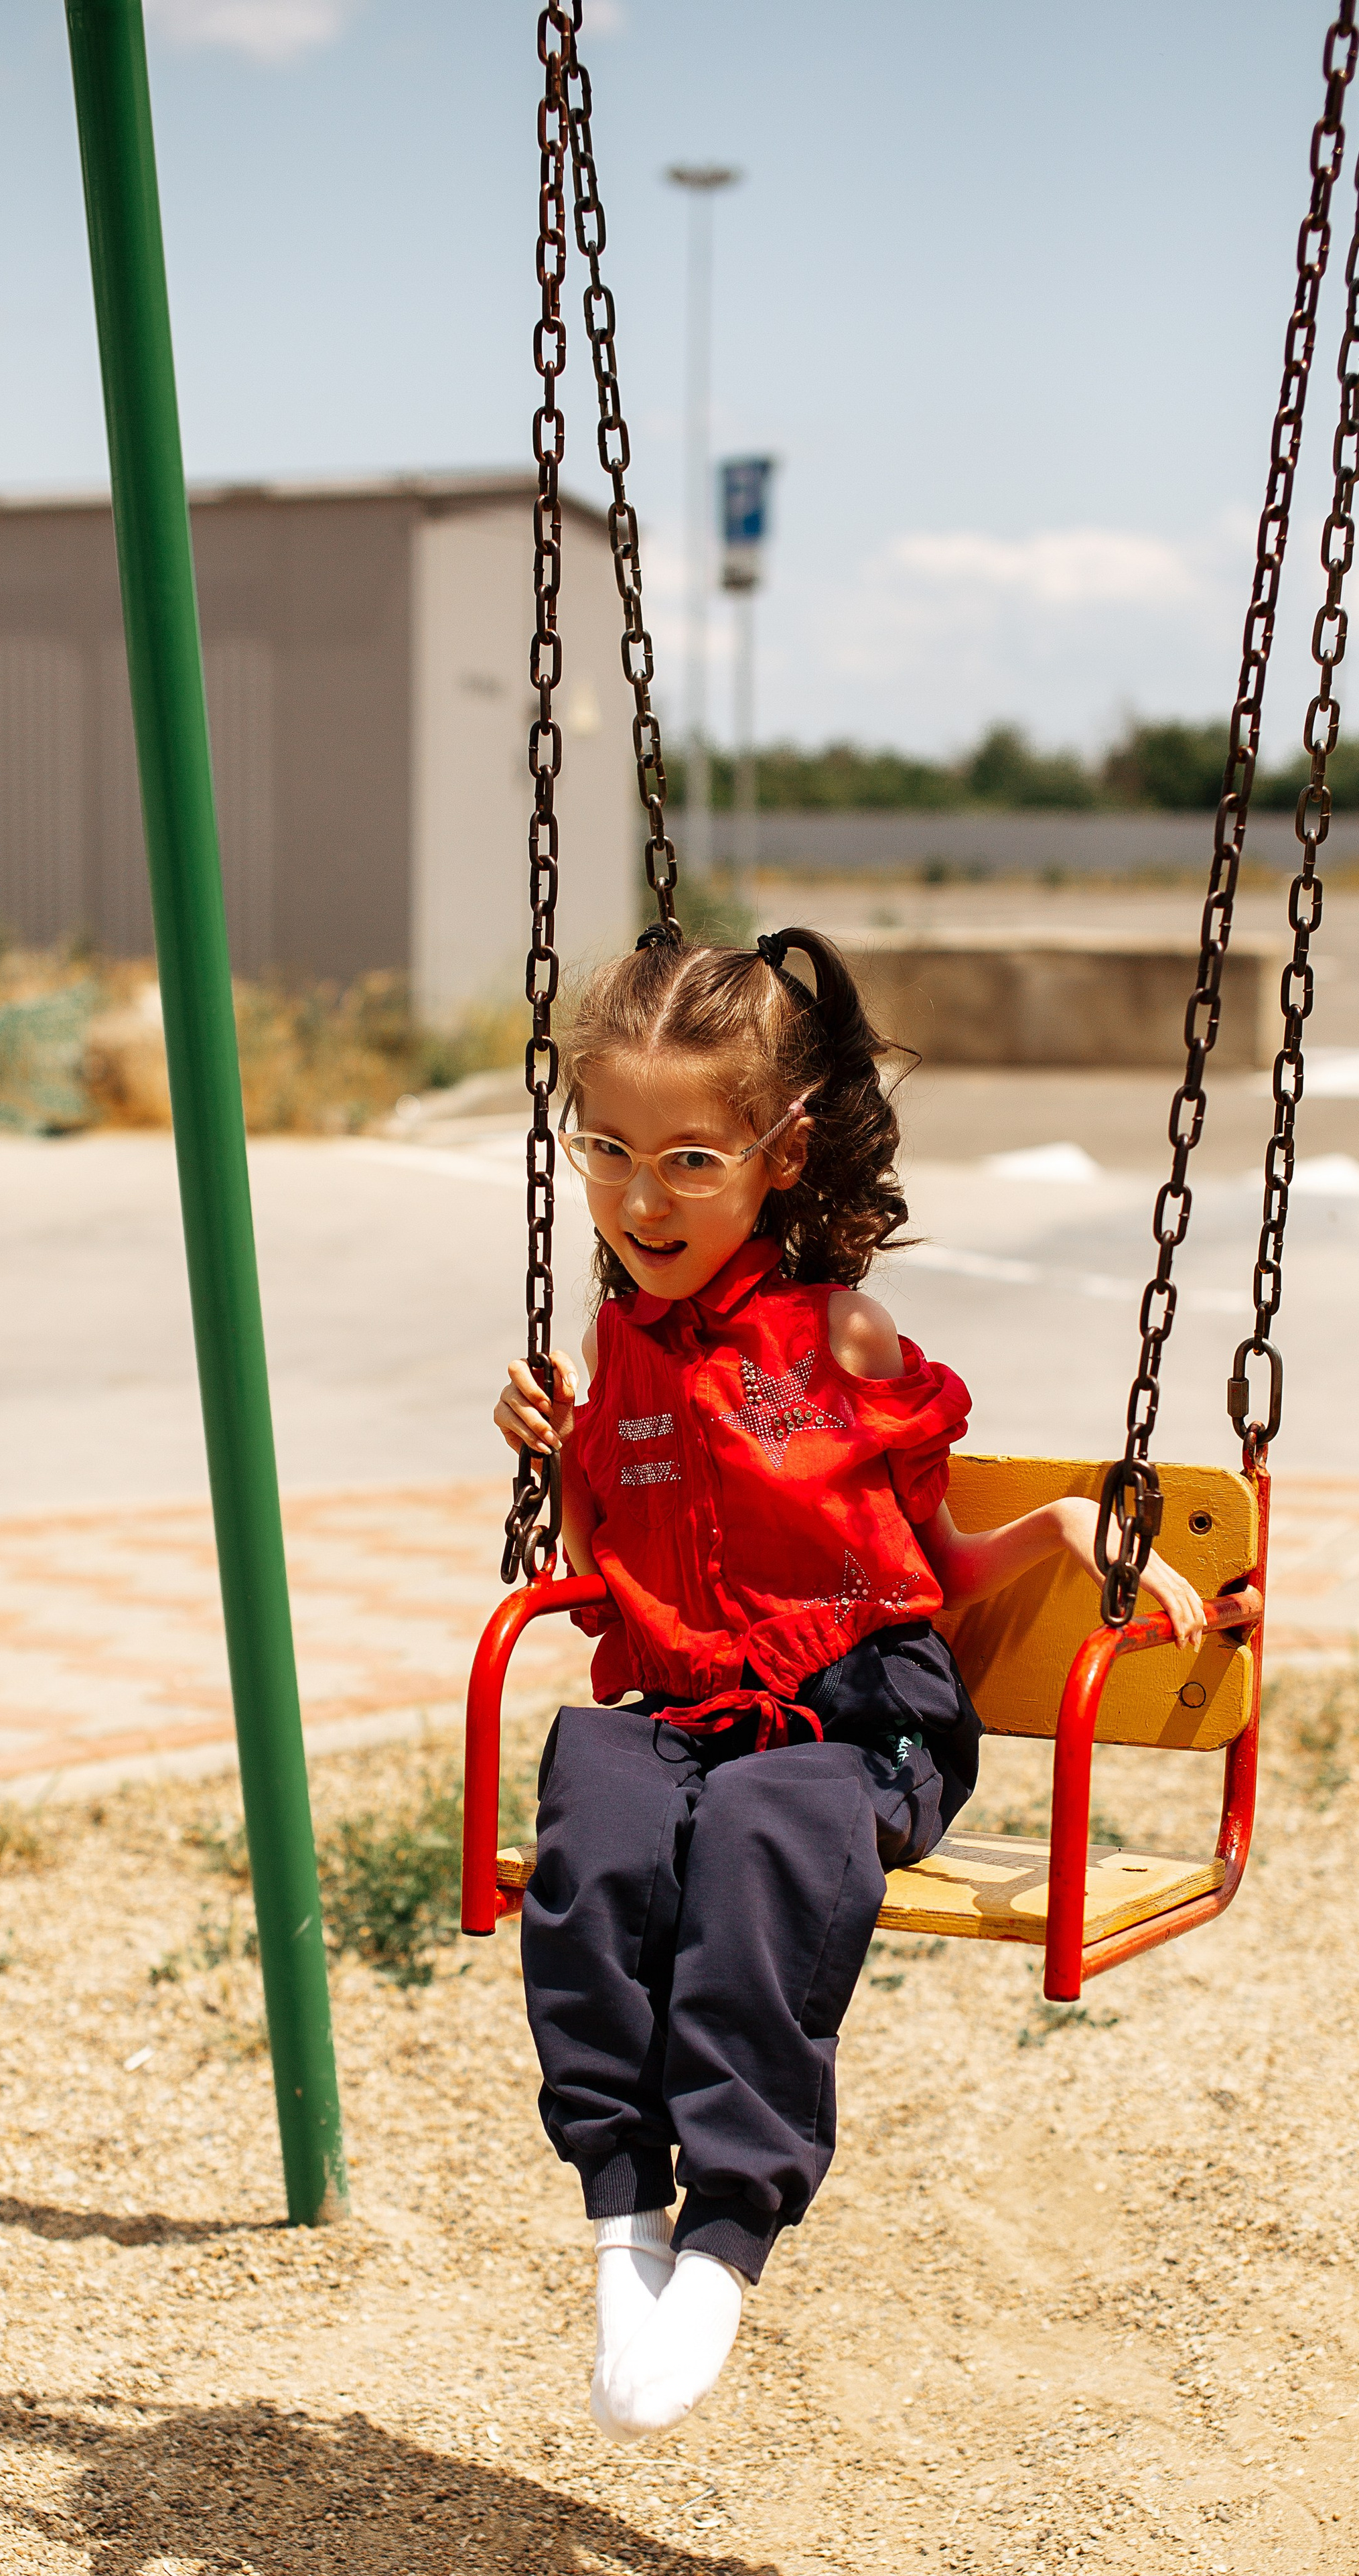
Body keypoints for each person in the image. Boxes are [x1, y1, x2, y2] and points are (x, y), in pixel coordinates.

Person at [493, 926, 1206, 2445]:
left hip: (866, 1714)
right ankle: (623, 2217)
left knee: (764, 1830)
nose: (639, 1201)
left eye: (690, 1161)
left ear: (782, 1155)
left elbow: (927, 1558)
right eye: (607, 1153)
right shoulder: (618, 1344)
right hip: (692, 1711)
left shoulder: (842, 1336)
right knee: (596, 1799)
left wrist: (1061, 1530)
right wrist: (555, 1454)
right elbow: (614, 1563)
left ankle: (724, 2236)